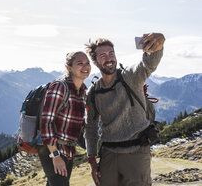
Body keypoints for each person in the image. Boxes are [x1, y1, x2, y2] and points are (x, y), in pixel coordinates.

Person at [84, 33, 165, 186]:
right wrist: (92, 161)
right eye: (102, 56)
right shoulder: (93, 93)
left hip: (136, 151)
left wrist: (159, 44)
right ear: (95, 62)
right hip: (109, 153)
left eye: (111, 53)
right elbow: (91, 128)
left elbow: (148, 65)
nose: (109, 58)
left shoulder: (130, 77)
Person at [38, 51, 91, 186]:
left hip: (69, 151)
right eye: (80, 63)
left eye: (87, 63)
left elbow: (77, 124)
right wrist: (55, 155)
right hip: (53, 150)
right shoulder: (60, 87)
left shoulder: (82, 91)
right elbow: (46, 122)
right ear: (68, 68)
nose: (85, 66)